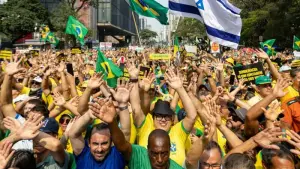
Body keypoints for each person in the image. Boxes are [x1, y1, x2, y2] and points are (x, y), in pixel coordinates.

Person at [89, 98, 184, 169]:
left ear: (169, 149)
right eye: (154, 153)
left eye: (164, 153)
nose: (159, 159)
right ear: (147, 150)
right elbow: (122, 145)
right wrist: (112, 122)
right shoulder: (139, 156)